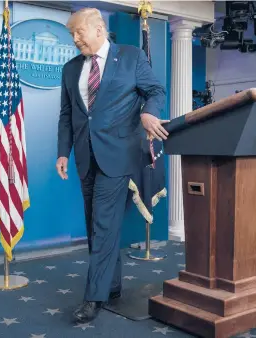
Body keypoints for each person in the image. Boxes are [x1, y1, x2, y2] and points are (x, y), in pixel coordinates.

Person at [56, 8, 168, 323]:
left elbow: (155, 91)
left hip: (118, 156)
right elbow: (68, 114)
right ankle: (112, 286)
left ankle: (94, 298)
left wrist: (149, 112)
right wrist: (63, 152)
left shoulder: (131, 57)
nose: (75, 39)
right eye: (72, 34)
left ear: (99, 29)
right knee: (97, 224)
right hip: (84, 156)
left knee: (103, 225)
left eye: (78, 32)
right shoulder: (70, 69)